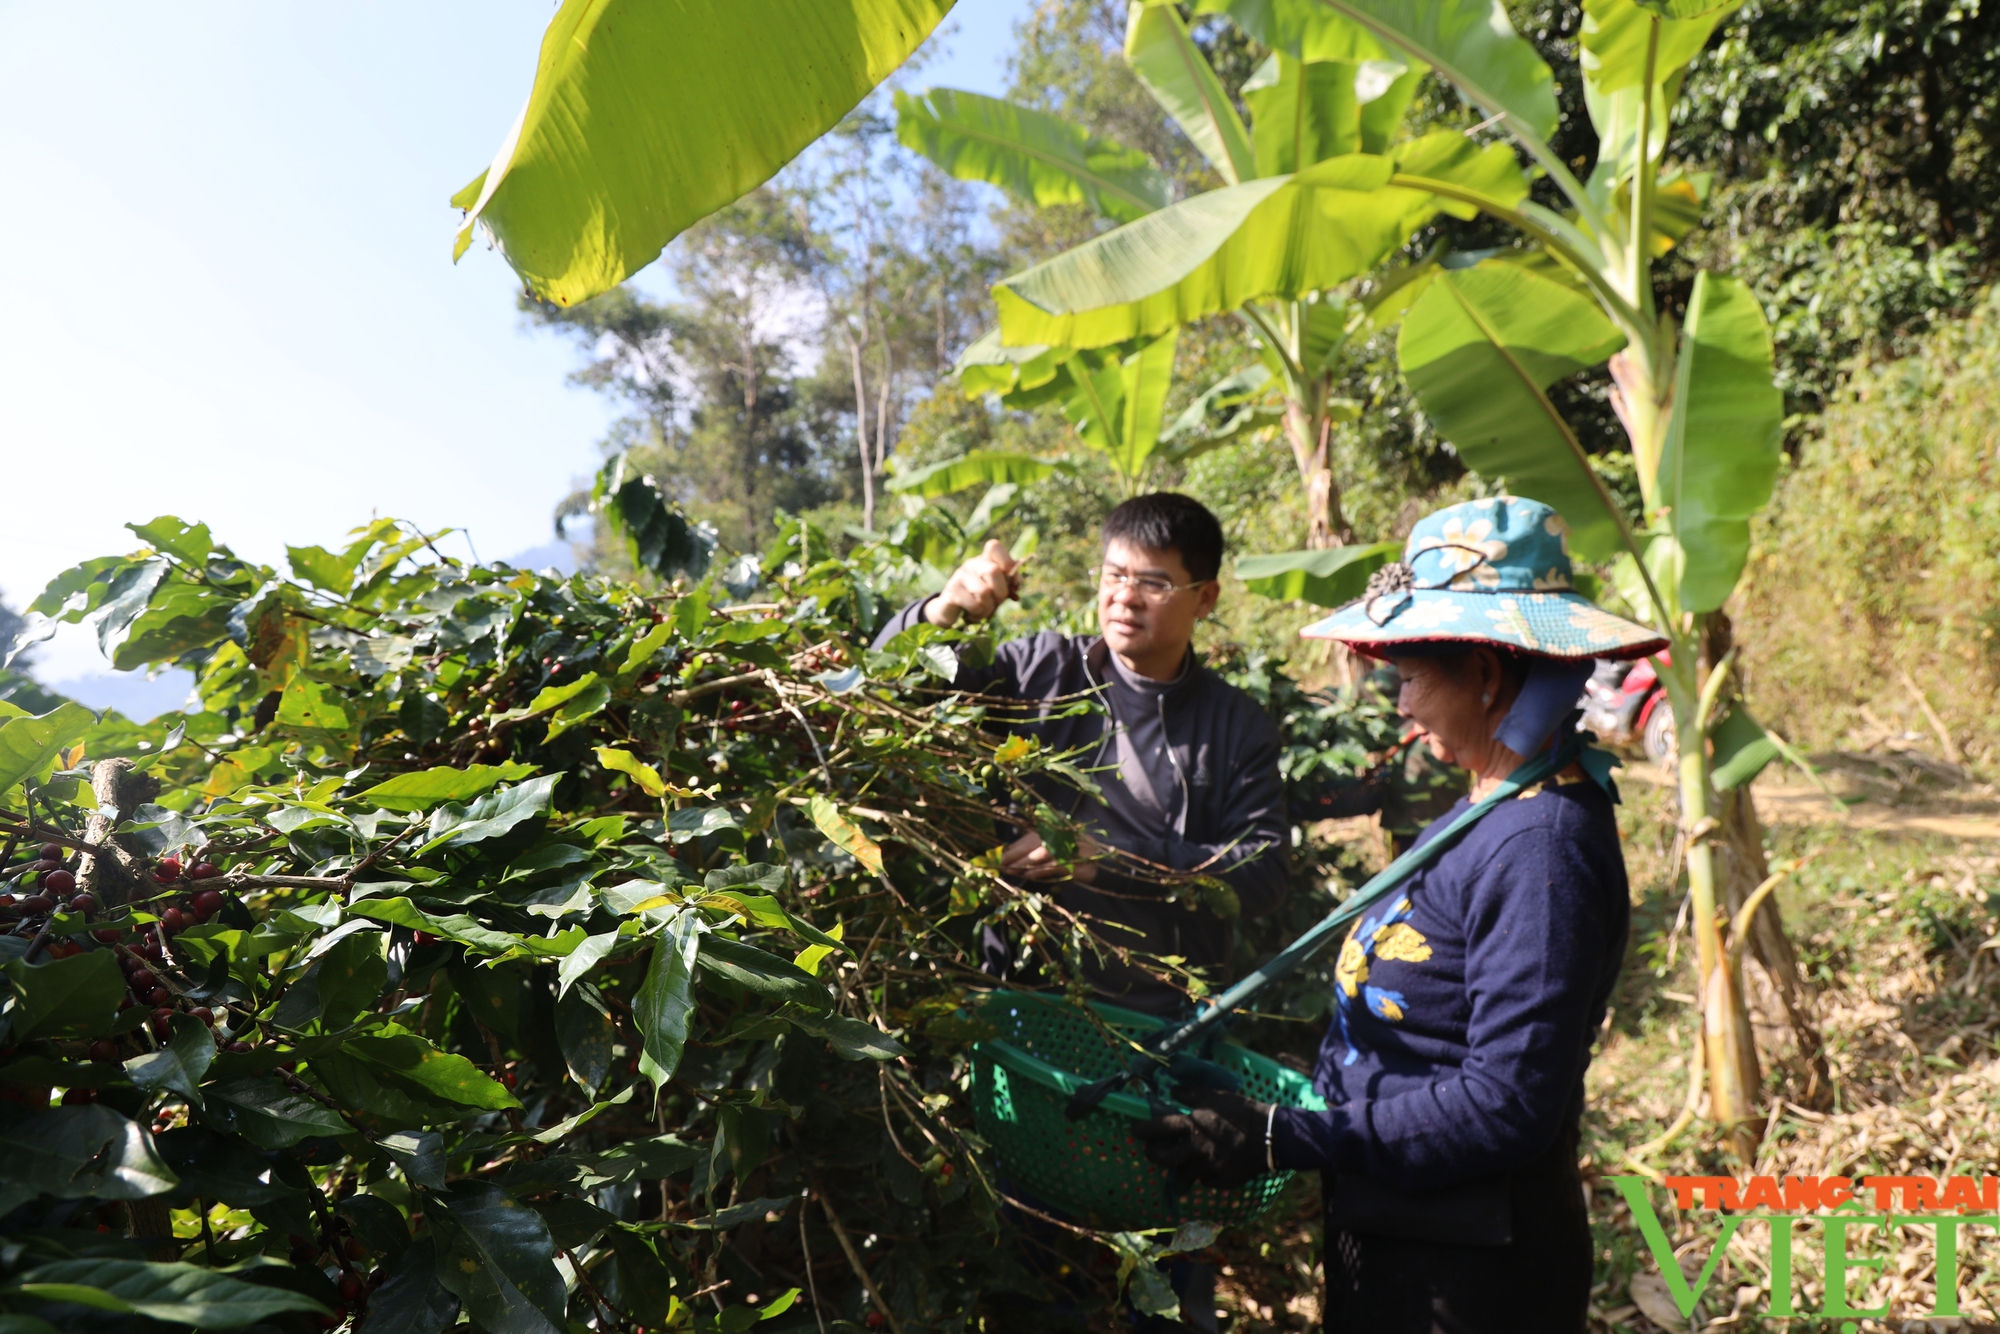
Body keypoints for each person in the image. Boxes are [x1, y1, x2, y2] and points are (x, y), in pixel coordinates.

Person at [1132, 496, 1667, 1333]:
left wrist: (1286, 1137)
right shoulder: (1492, 799)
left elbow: (1505, 1107)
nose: (1402, 705)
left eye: (1413, 677)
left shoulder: (1541, 849)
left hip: (1469, 1273)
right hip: (1401, 1231)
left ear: (1487, 676)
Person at [870, 492, 1288, 1017]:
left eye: (1154, 583)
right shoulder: (1038, 672)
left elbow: (1262, 872)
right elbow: (887, 690)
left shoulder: (1237, 725)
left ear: (1205, 598)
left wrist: (1111, 859)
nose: (1125, 597)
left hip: (1165, 1018)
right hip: (1021, 997)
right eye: (1113, 575)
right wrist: (942, 610)